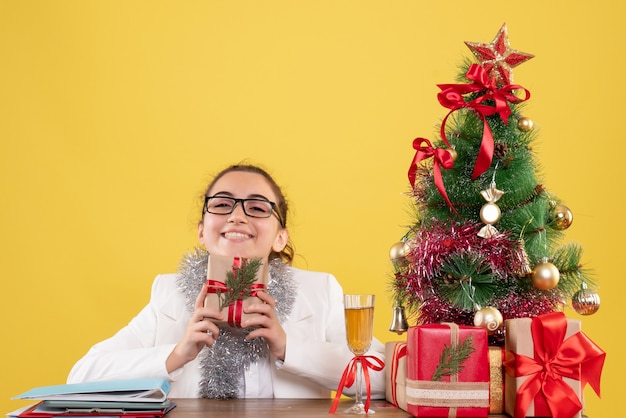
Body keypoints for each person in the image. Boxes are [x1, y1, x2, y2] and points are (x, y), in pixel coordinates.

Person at [67, 163, 386, 399]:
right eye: (221, 204)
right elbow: (81, 377)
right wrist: (177, 354)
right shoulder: (168, 295)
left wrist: (288, 347)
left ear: (280, 237)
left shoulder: (320, 292)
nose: (237, 216)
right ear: (202, 231)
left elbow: (386, 377)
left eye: (258, 207)